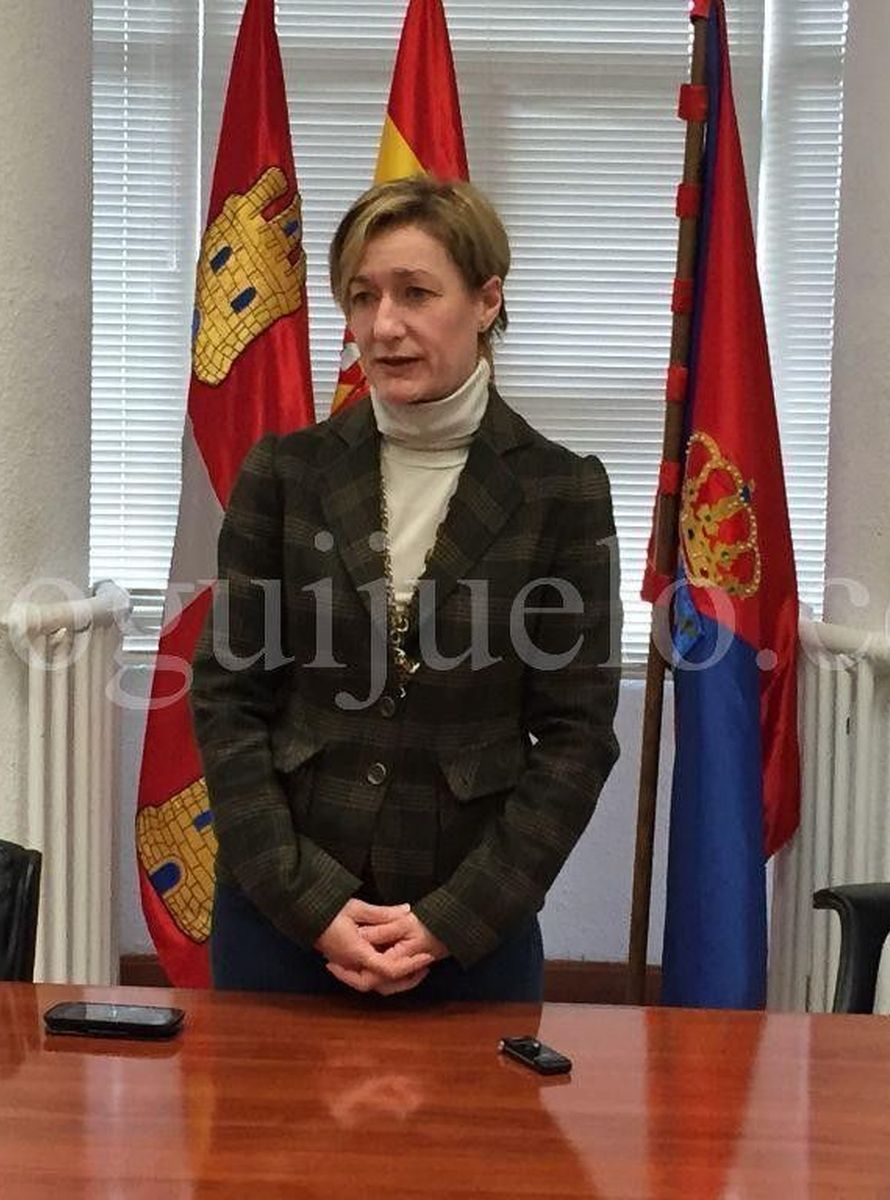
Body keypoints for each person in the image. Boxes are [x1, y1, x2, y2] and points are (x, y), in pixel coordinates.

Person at [190, 176, 620, 1002]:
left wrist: (453, 919)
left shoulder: (560, 492)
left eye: (416, 293)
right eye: (362, 298)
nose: (383, 327)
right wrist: (310, 904)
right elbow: (226, 700)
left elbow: (576, 737)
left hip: (467, 930)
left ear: (487, 299)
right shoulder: (286, 473)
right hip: (283, 923)